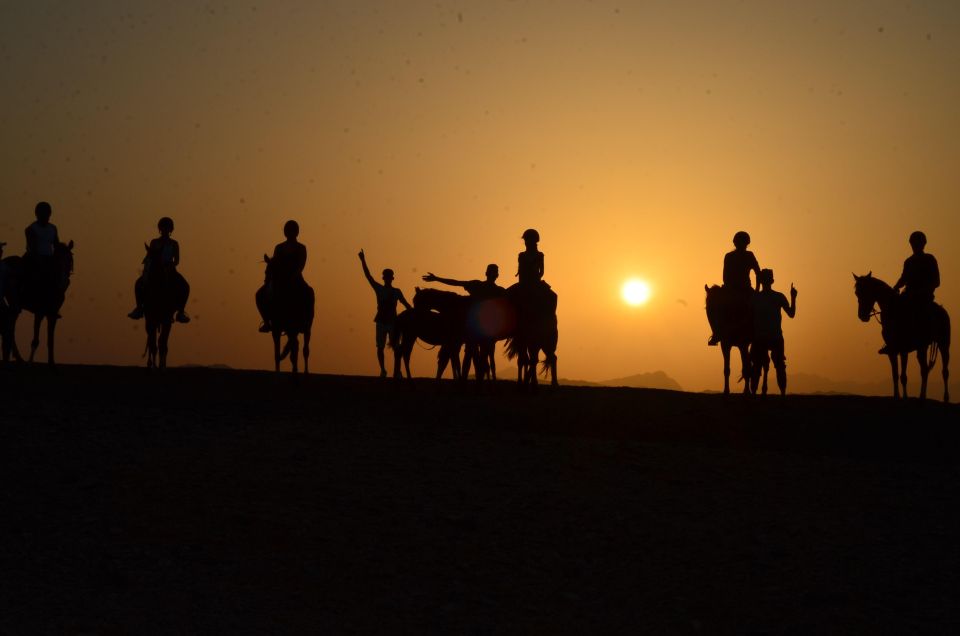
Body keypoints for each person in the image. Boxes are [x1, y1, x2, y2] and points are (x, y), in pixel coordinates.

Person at [423, 264, 508, 378]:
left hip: (479, 328)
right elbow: (456, 282)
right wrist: (437, 278)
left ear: (488, 274)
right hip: (481, 329)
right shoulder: (494, 290)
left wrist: (437, 279)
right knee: (477, 355)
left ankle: (467, 381)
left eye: (494, 272)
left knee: (472, 355)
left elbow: (456, 282)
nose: (493, 274)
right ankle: (471, 382)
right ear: (495, 275)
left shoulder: (487, 288)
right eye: (493, 272)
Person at [879, 230, 940, 354]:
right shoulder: (909, 262)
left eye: (917, 243)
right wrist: (895, 287)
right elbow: (903, 278)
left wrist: (923, 290)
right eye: (913, 243)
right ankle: (891, 341)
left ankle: (928, 334)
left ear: (923, 244)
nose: (915, 246)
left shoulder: (929, 259)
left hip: (924, 296)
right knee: (893, 310)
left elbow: (936, 281)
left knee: (923, 312)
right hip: (908, 295)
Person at [359, 249, 411, 377]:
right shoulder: (379, 289)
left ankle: (397, 371)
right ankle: (383, 369)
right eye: (386, 277)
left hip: (393, 322)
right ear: (384, 278)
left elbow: (406, 305)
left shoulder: (397, 292)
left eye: (389, 277)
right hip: (381, 321)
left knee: (396, 347)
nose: (387, 279)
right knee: (380, 347)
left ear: (391, 278)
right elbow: (368, 276)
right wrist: (363, 261)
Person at [128, 217, 190, 323]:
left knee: (185, 286)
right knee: (138, 283)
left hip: (170, 270)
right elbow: (150, 257)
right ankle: (138, 308)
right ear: (160, 229)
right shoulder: (154, 242)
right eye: (163, 227)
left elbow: (177, 261)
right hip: (155, 269)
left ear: (171, 229)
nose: (165, 230)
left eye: (167, 228)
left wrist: (169, 265)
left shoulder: (174, 244)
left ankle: (180, 312)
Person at [708, 230, 761, 345]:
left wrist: (756, 291)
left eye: (743, 243)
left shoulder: (748, 255)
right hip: (733, 290)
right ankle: (716, 333)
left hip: (744, 290)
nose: (742, 245)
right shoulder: (729, 256)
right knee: (712, 304)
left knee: (758, 309)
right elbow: (725, 276)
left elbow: (758, 273)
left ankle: (759, 335)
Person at [750, 268, 797, 395]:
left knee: (757, 367)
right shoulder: (778, 297)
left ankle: (754, 394)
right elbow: (791, 314)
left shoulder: (755, 298)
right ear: (772, 281)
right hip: (774, 336)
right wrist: (793, 297)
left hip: (762, 337)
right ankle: (782, 394)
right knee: (779, 366)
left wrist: (793, 297)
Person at [256, 220, 309, 333]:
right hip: (280, 279)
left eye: (291, 230)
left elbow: (301, 265)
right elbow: (275, 263)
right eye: (288, 230)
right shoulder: (279, 247)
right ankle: (267, 322)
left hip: (296, 279)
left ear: (296, 232)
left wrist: (294, 276)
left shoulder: (301, 248)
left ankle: (304, 322)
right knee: (259, 295)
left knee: (307, 293)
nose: (289, 232)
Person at [24, 201, 61, 292]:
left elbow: (56, 245)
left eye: (47, 213)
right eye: (43, 214)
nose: (45, 216)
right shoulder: (31, 229)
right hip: (34, 258)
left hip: (49, 259)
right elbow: (32, 248)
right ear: (37, 214)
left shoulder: (53, 228)